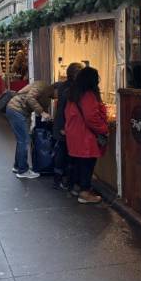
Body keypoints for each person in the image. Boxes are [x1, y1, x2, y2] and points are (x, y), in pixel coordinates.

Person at [65, 67, 109, 204]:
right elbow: (91, 118)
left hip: (74, 133)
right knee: (87, 164)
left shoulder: (74, 93)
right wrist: (103, 129)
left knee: (78, 163)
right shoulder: (88, 95)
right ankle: (84, 193)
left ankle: (76, 188)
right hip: (85, 136)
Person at [6, 81, 56, 179]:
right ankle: (23, 170)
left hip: (15, 109)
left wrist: (45, 115)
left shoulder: (46, 91)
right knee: (24, 141)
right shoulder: (43, 86)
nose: (57, 97)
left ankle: (18, 166)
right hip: (17, 110)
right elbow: (30, 98)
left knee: (21, 140)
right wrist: (42, 113)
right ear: (56, 89)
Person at [52, 62, 83, 190]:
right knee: (66, 154)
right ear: (76, 74)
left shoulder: (63, 86)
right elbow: (67, 109)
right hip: (64, 126)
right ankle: (63, 181)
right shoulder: (72, 89)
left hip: (61, 124)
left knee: (63, 153)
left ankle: (61, 180)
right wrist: (64, 127)